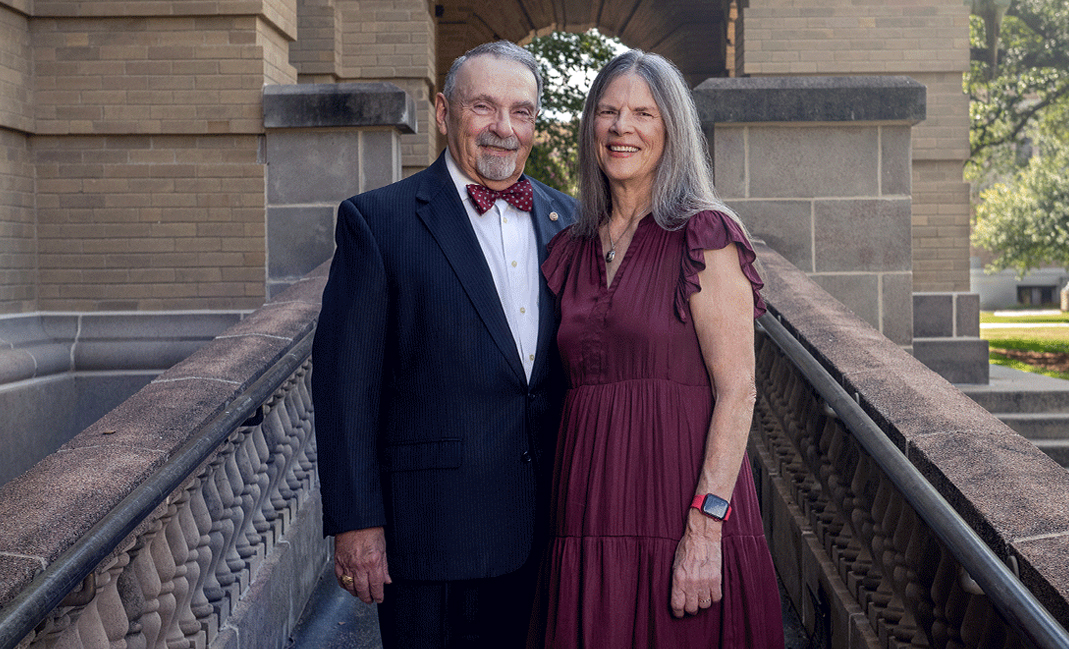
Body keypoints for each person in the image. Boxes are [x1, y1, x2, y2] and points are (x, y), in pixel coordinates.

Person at [312, 40, 576, 647]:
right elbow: (345, 386)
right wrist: (356, 523)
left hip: (548, 530)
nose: (503, 128)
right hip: (430, 538)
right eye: (483, 106)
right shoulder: (378, 223)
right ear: (442, 112)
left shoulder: (571, 223)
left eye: (522, 112)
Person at [533, 49, 784, 647]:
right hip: (587, 509)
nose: (623, 128)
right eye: (609, 112)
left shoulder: (704, 234)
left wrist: (705, 528)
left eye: (643, 113)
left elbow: (738, 390)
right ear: (591, 124)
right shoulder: (569, 248)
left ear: (672, 129)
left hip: (679, 507)